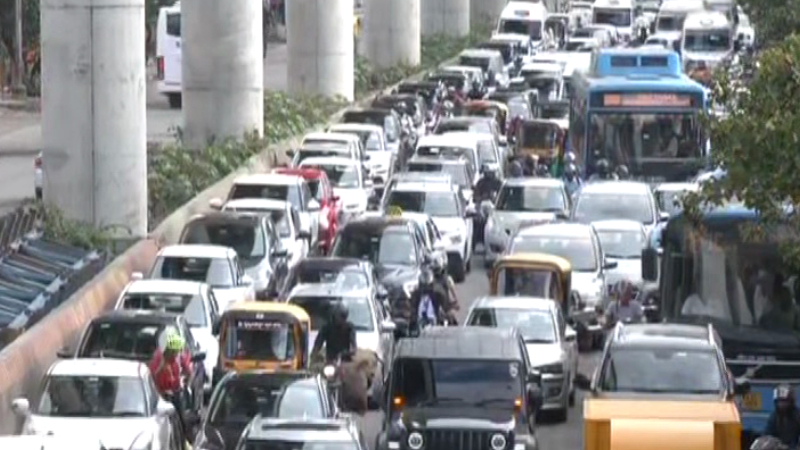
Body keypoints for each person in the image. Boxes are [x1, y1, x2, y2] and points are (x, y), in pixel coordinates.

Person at [149, 330, 193, 432]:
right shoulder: (158, 359)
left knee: (181, 421)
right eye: (174, 352)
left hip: (174, 393)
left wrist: (184, 381)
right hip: (162, 396)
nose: (176, 354)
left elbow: (187, 371)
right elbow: (153, 377)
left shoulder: (177, 358)